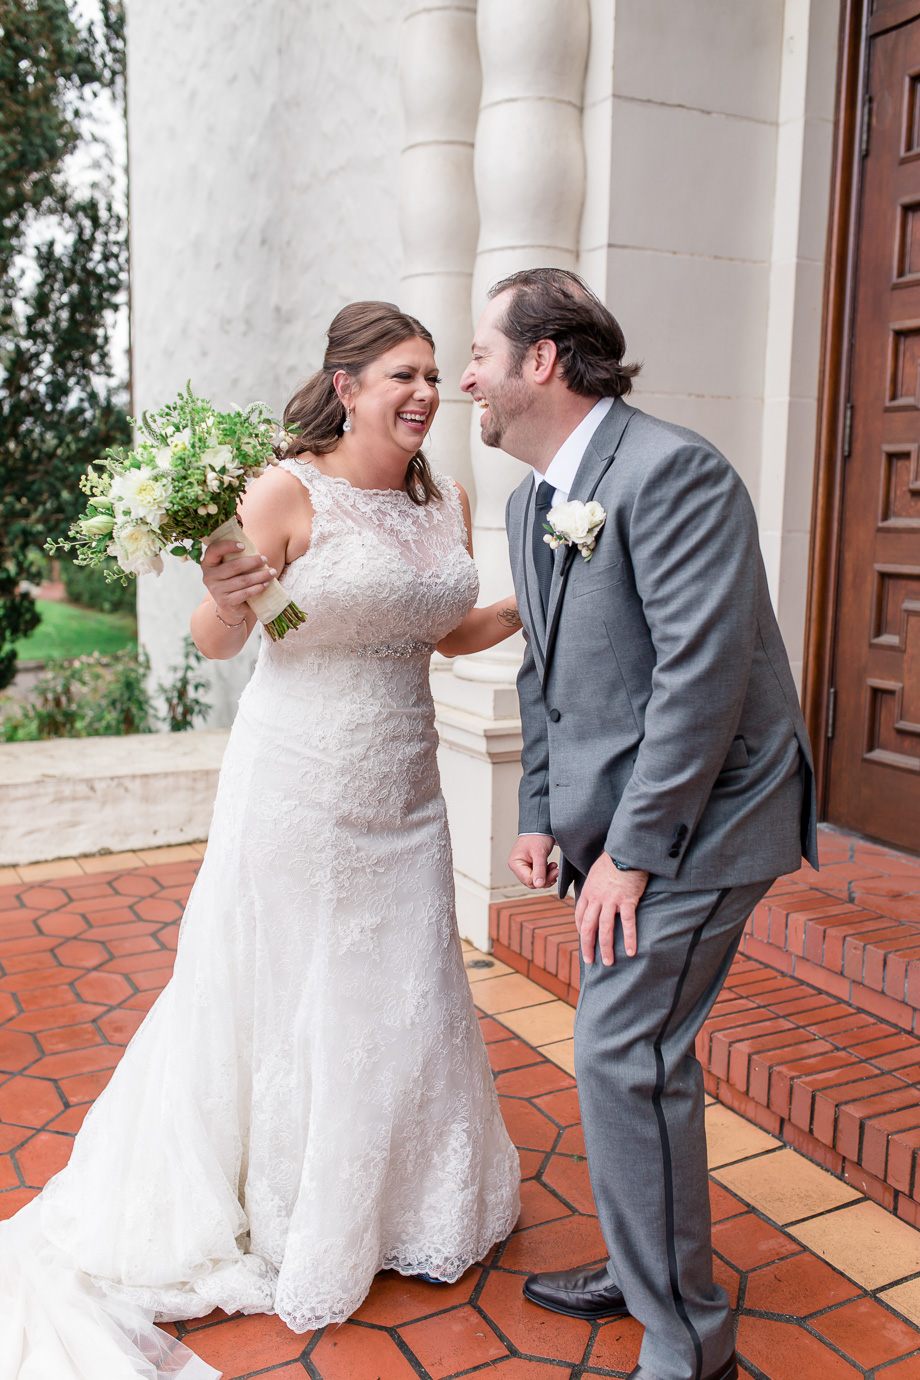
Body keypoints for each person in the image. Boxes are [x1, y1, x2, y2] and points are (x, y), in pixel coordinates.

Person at [0, 301, 521, 1379]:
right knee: (294, 987)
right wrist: (227, 599)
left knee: (405, 985)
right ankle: (291, 1203)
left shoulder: (444, 501)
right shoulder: (286, 487)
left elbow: (443, 627)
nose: (427, 392)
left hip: (406, 791)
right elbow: (218, 631)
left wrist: (535, 606)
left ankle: (397, 1200)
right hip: (298, 787)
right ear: (346, 386)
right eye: (403, 375)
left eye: (434, 374)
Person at [460, 268, 817, 1380]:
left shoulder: (673, 473)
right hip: (625, 819)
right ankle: (643, 1255)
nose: (464, 375)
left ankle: (683, 1338)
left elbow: (700, 681)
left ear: (542, 361)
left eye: (478, 352)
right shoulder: (530, 501)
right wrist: (541, 815)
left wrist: (630, 851)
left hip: (711, 809)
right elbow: (545, 673)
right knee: (638, 1053)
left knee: (619, 1049)